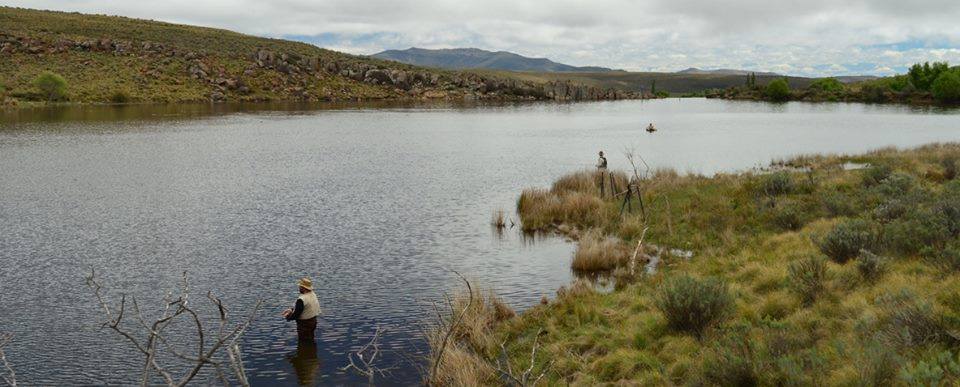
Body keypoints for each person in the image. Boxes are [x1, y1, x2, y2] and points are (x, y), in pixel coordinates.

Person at [282, 278, 321, 342]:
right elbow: (303, 307)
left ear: (303, 288)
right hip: (313, 321)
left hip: (304, 325)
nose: (299, 288)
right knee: (310, 339)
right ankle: (311, 351)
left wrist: (288, 317)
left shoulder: (301, 299)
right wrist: (291, 309)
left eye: (300, 286)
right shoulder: (312, 294)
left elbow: (296, 315)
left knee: (303, 341)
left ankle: (306, 351)